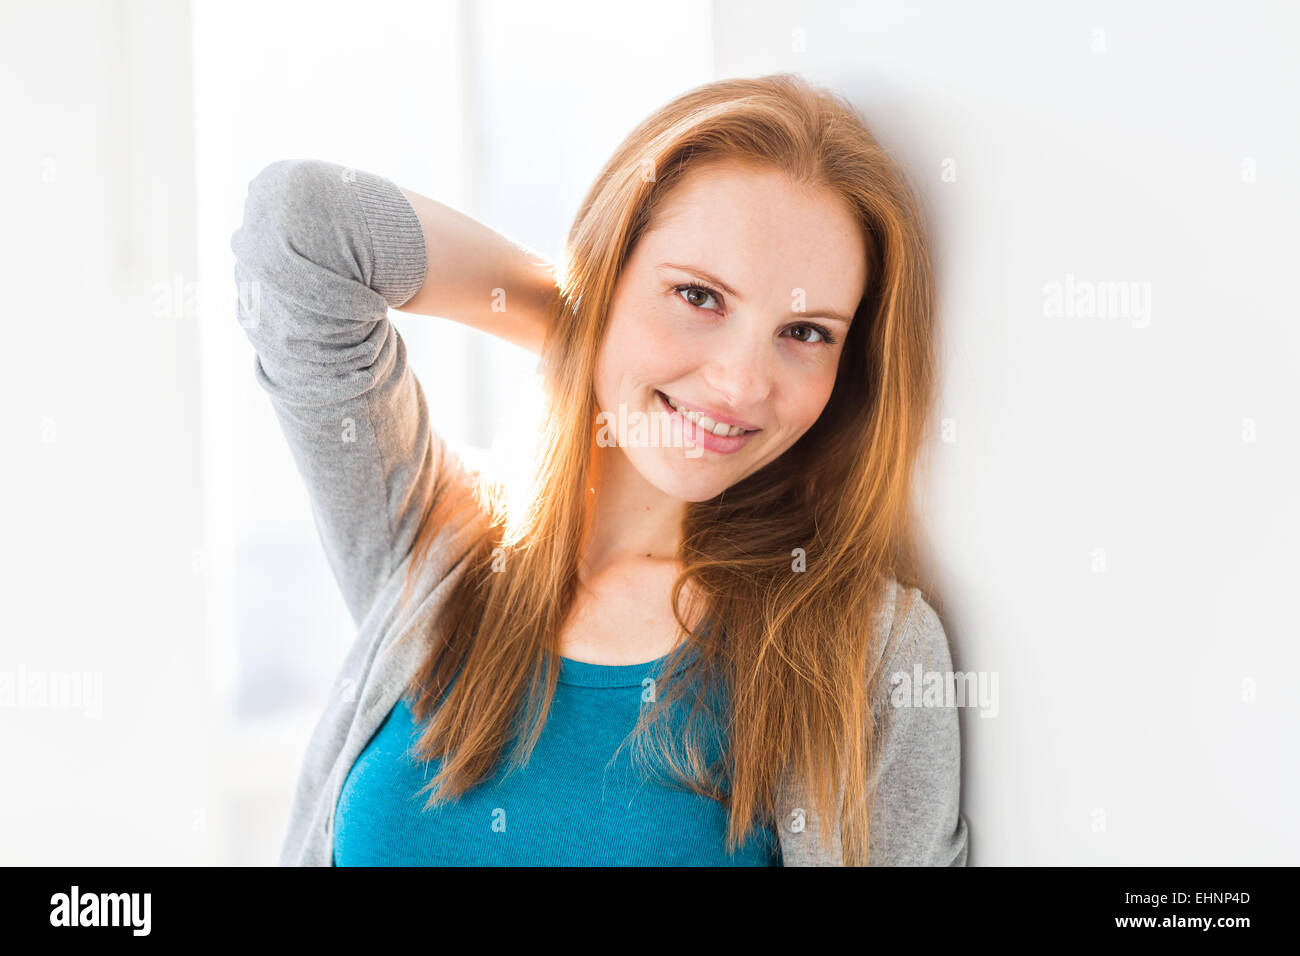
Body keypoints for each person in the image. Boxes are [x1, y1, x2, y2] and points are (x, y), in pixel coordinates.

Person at [231, 72, 969, 866]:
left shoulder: (863, 653)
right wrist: (584, 330)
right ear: (610, 271)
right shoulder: (429, 542)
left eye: (806, 332)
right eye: (698, 296)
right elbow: (300, 230)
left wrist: (638, 349)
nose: (744, 382)